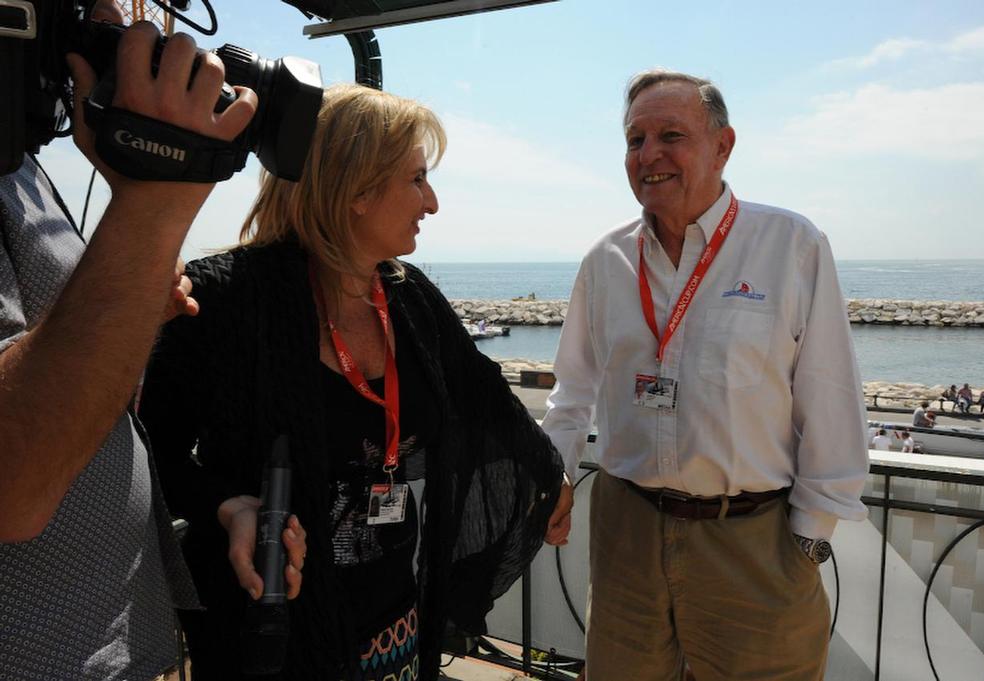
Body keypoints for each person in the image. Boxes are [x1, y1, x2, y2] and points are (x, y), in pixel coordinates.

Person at [138, 84, 571, 681]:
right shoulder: (223, 300)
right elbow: (148, 451)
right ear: (357, 189)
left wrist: (552, 475)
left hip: (392, 623)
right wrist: (227, 504)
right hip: (264, 633)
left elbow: (487, 397)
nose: (433, 202)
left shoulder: (410, 296)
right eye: (417, 179)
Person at [0, 9, 305, 680]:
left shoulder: (19, 169)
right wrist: (156, 195)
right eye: (89, 13)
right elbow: (11, 481)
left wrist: (131, 275)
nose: (113, 28)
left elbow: (56, 368)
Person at [542, 69, 868, 681]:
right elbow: (573, 391)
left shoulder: (790, 245)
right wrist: (553, 474)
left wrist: (806, 542)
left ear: (723, 146)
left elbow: (829, 398)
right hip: (627, 532)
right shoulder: (604, 260)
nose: (650, 155)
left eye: (672, 135)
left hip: (752, 538)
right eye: (635, 140)